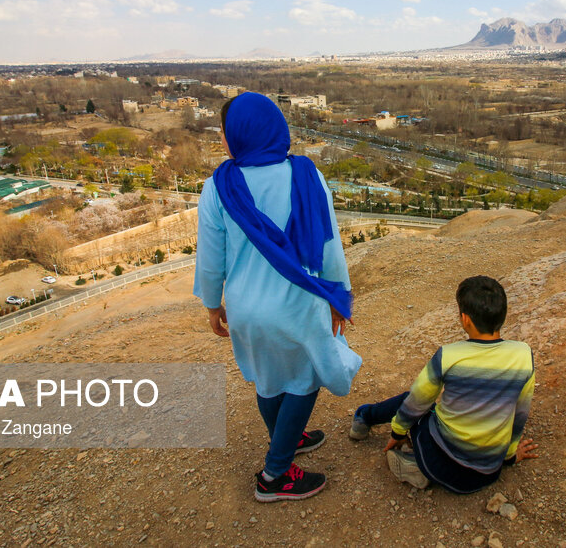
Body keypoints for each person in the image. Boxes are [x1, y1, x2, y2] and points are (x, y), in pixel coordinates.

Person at [193, 92, 361, 503]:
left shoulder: (218, 187)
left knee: (268, 378)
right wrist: (340, 297)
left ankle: (289, 435)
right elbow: (329, 245)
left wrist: (213, 305)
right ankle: (275, 474)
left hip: (248, 309)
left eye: (224, 130)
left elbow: (211, 260)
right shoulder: (306, 175)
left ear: (239, 134)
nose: (221, 138)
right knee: (306, 378)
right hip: (298, 304)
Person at [348, 276, 537, 493]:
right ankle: (418, 468)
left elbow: (416, 402)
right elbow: (520, 414)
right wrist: (509, 456)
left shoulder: (449, 356)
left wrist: (398, 432)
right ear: (503, 315)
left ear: (465, 319)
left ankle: (364, 419)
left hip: (440, 465)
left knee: (412, 401)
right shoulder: (523, 356)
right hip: (487, 474)